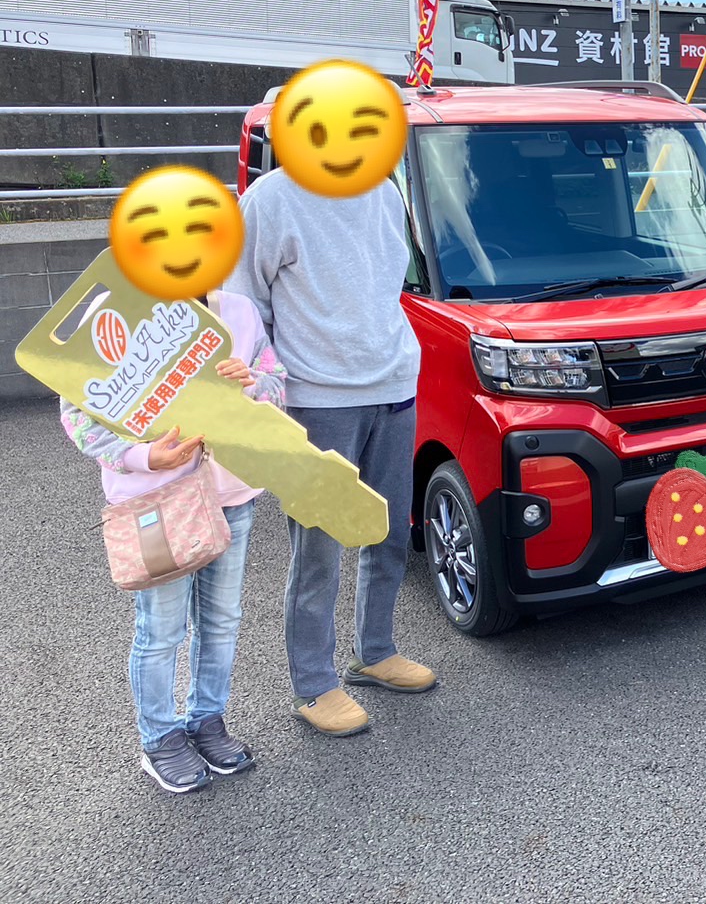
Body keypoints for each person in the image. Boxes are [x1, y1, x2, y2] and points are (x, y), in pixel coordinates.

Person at [227, 165, 433, 739]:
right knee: (318, 546)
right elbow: (243, 302)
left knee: (389, 529)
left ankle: (376, 651)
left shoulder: (384, 191)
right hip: (316, 397)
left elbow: (387, 283)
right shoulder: (271, 199)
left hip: (394, 383)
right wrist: (266, 389)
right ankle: (314, 682)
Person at [60, 289, 287, 794]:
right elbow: (77, 412)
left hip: (232, 494)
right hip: (154, 504)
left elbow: (277, 383)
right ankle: (160, 738)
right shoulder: (111, 315)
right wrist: (143, 456)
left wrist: (254, 384)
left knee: (221, 621)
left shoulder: (240, 311)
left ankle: (207, 721)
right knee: (161, 629)